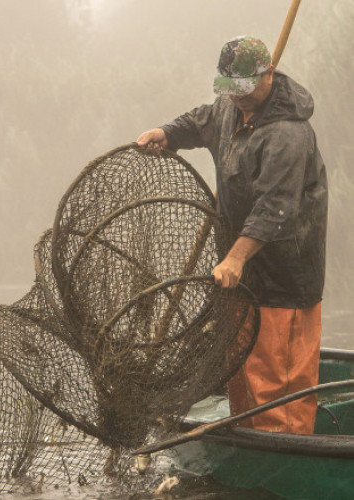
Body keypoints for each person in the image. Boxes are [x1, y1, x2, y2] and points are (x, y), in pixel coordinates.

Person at [137, 35, 328, 434]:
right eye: (229, 89)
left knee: (279, 383)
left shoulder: (287, 135)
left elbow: (275, 209)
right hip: (239, 278)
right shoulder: (229, 108)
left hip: (284, 279)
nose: (235, 97)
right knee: (242, 370)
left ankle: (284, 464)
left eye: (242, 89)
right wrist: (167, 133)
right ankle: (248, 450)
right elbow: (200, 122)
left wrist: (237, 258)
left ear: (268, 74)